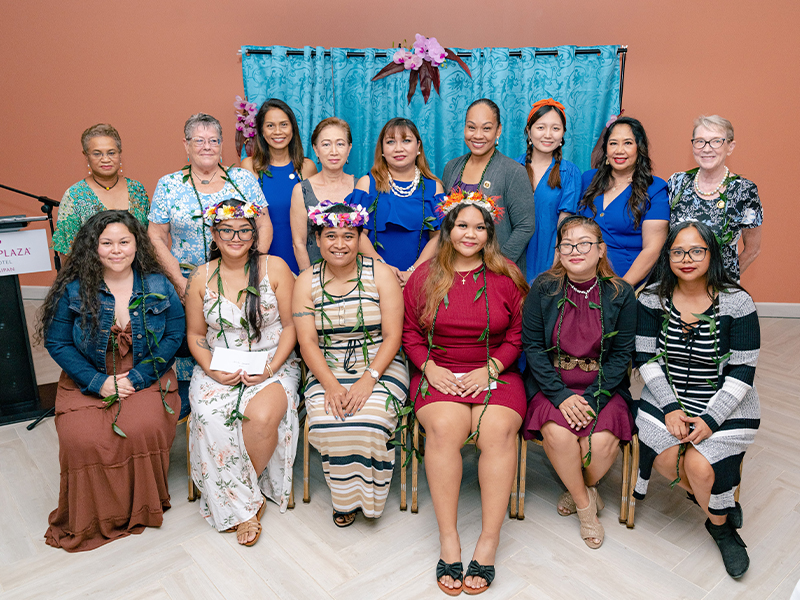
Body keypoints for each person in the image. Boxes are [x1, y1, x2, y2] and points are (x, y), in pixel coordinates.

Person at [403, 191, 529, 595]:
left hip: (497, 370)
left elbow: (519, 334)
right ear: (448, 229)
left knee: (496, 432)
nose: (470, 234)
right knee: (443, 430)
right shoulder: (425, 276)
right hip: (439, 369)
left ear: (490, 232)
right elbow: (408, 332)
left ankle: (488, 542)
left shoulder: (507, 275)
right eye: (462, 225)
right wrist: (429, 367)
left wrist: (490, 367)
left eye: (479, 227)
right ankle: (449, 541)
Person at [38, 210, 183, 552]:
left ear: (137, 245)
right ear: (94, 247)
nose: (116, 250)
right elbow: (57, 342)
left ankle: (142, 507)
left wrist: (137, 376)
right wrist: (96, 381)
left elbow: (174, 334)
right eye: (106, 243)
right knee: (82, 438)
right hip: (87, 373)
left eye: (124, 242)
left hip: (145, 370)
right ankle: (95, 516)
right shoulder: (75, 288)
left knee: (142, 426)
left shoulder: (159, 285)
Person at [633, 221, 760, 579]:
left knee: (700, 468)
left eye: (696, 251)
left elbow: (743, 371)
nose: (686, 259)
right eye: (678, 251)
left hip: (725, 399)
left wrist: (711, 419)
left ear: (712, 254)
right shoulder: (651, 297)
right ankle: (719, 504)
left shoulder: (738, 302)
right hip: (665, 396)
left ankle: (719, 527)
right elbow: (646, 358)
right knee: (671, 463)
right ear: (667, 256)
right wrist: (671, 407)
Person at [185, 199, 300, 546]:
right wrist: (211, 369)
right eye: (227, 230)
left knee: (261, 417)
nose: (236, 237)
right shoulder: (200, 276)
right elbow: (194, 335)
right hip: (218, 364)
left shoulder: (275, 267)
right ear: (214, 235)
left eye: (244, 230)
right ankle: (248, 507)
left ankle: (241, 498)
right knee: (209, 417)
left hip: (274, 362)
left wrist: (271, 366)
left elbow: (293, 326)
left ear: (254, 234)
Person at [521, 215, 636, 549]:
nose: (575, 251)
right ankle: (587, 508)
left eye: (584, 243)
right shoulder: (543, 288)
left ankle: (577, 488)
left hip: (602, 386)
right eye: (567, 244)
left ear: (600, 250)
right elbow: (533, 348)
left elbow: (622, 354)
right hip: (552, 385)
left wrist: (592, 396)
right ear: (558, 251)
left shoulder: (621, 293)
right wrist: (560, 396)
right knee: (558, 434)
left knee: (599, 446)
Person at [293, 200, 409, 527]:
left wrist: (369, 378)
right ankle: (344, 498)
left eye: (348, 235)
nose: (340, 244)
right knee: (329, 420)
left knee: (369, 421)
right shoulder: (305, 281)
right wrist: (331, 385)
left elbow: (392, 337)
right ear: (317, 240)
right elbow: (307, 343)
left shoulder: (381, 275)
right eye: (331, 236)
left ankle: (369, 500)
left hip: (380, 364)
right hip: (326, 367)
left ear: (360, 238)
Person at [148, 113, 271, 419]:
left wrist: (253, 267)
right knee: (194, 340)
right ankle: (198, 403)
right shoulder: (169, 184)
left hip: (240, 280)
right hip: (186, 281)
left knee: (237, 334)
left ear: (222, 145)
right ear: (186, 145)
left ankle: (245, 392)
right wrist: (178, 279)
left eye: (213, 140)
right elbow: (156, 234)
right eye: (198, 140)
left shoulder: (242, 180)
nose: (207, 146)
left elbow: (264, 223)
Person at [442, 98, 536, 275]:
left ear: (498, 130)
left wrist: (497, 266)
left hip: (498, 272)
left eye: (486, 128)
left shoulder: (513, 171)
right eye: (471, 127)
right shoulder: (451, 168)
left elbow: (525, 226)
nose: (478, 135)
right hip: (454, 270)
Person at [667, 115, 762, 280]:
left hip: (720, 289)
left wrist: (725, 281)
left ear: (730, 147)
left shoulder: (744, 190)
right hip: (677, 286)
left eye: (716, 141)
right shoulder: (677, 182)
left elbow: (752, 250)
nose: (706, 148)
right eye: (700, 141)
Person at [578, 116, 669, 287]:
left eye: (627, 143)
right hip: (582, 281)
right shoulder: (587, 180)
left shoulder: (655, 188)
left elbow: (652, 249)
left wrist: (621, 290)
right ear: (605, 149)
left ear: (639, 148)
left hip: (628, 285)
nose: (619, 150)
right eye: (613, 143)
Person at [353, 117, 445, 285]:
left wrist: (413, 272)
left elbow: (438, 237)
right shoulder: (366, 184)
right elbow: (356, 235)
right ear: (382, 149)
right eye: (390, 142)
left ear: (418, 146)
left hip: (422, 278)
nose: (398, 148)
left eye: (406, 141)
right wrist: (383, 268)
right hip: (374, 278)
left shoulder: (434, 188)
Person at [242, 98, 317, 274]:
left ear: (293, 128)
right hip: (264, 257)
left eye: (283, 124)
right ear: (261, 130)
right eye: (270, 126)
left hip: (303, 257)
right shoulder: (249, 167)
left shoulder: (307, 167)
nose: (278, 132)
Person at [52, 124, 149, 255]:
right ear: (86, 156)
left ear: (120, 154)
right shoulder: (75, 195)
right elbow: (67, 253)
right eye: (97, 154)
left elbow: (149, 240)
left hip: (138, 272)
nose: (105, 159)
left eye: (111, 153)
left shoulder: (137, 190)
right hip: (91, 273)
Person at [516, 99, 581, 282]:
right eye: (541, 127)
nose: (548, 135)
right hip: (515, 256)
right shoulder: (513, 168)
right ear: (529, 131)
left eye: (555, 128)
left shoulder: (569, 173)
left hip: (550, 255)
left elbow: (565, 223)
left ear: (563, 135)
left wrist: (556, 265)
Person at [289, 117, 356, 270]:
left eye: (340, 144)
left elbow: (365, 239)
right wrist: (311, 282)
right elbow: (299, 243)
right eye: (326, 144)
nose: (334, 151)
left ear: (349, 148)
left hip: (356, 277)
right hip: (316, 276)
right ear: (315, 149)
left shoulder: (361, 186)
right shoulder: (301, 190)